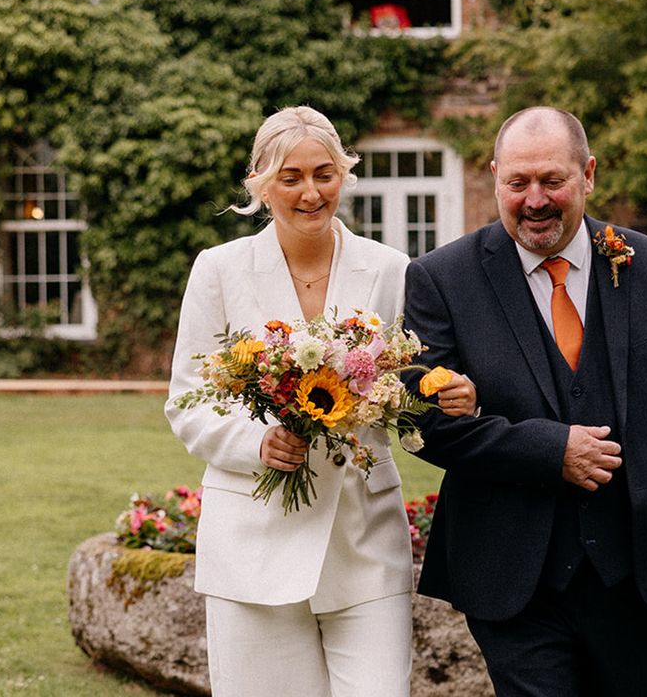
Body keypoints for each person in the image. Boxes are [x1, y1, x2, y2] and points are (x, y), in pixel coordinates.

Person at [404, 106, 647, 697]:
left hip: (635, 567)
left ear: (587, 175)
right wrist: (551, 448)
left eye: (552, 181)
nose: (534, 199)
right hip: (510, 569)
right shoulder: (441, 279)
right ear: (495, 177)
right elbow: (426, 424)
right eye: (518, 182)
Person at [165, 106, 477, 697]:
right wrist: (256, 441)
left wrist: (454, 394)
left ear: (344, 176)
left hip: (363, 543)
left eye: (325, 174)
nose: (311, 192)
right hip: (250, 547)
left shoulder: (392, 270)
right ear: (261, 184)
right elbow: (187, 401)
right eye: (291, 178)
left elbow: (415, 382)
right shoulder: (219, 270)